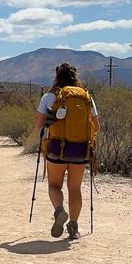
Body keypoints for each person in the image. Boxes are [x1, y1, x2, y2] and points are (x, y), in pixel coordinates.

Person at [33, 63, 100, 241]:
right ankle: (73, 227)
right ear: (75, 77)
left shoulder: (49, 97)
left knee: (54, 185)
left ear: (57, 77)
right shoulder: (86, 97)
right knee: (74, 188)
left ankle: (59, 211)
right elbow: (97, 128)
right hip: (80, 150)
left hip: (56, 149)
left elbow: (38, 125)